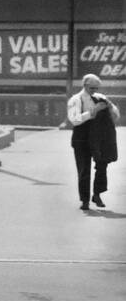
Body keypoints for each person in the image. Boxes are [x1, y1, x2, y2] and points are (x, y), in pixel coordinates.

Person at [67, 73, 119, 210]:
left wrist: (109, 107)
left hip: (98, 137)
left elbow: (115, 113)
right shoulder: (76, 99)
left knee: (102, 165)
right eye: (91, 88)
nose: (94, 91)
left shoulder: (100, 97)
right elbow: (74, 119)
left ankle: (97, 194)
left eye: (96, 88)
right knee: (84, 169)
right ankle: (84, 200)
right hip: (81, 137)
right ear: (85, 86)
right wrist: (92, 112)